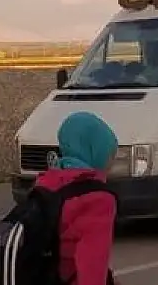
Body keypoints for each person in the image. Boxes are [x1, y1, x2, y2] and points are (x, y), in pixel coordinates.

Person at [33, 111, 120, 285]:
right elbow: (92, 268)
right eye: (110, 155)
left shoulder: (46, 182)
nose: (111, 164)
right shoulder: (97, 199)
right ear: (96, 151)